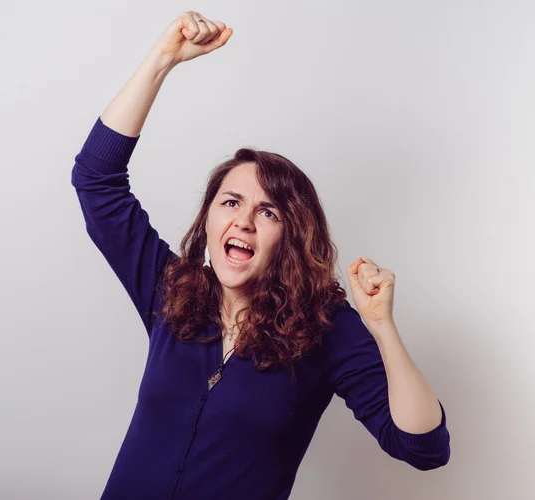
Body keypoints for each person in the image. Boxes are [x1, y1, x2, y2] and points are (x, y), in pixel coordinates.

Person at [71, 11, 451, 500]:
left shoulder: (326, 329)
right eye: (231, 202)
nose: (244, 221)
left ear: (291, 235)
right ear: (208, 218)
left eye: (268, 212)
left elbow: (424, 448)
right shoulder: (172, 294)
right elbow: (96, 181)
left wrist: (383, 329)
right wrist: (163, 60)